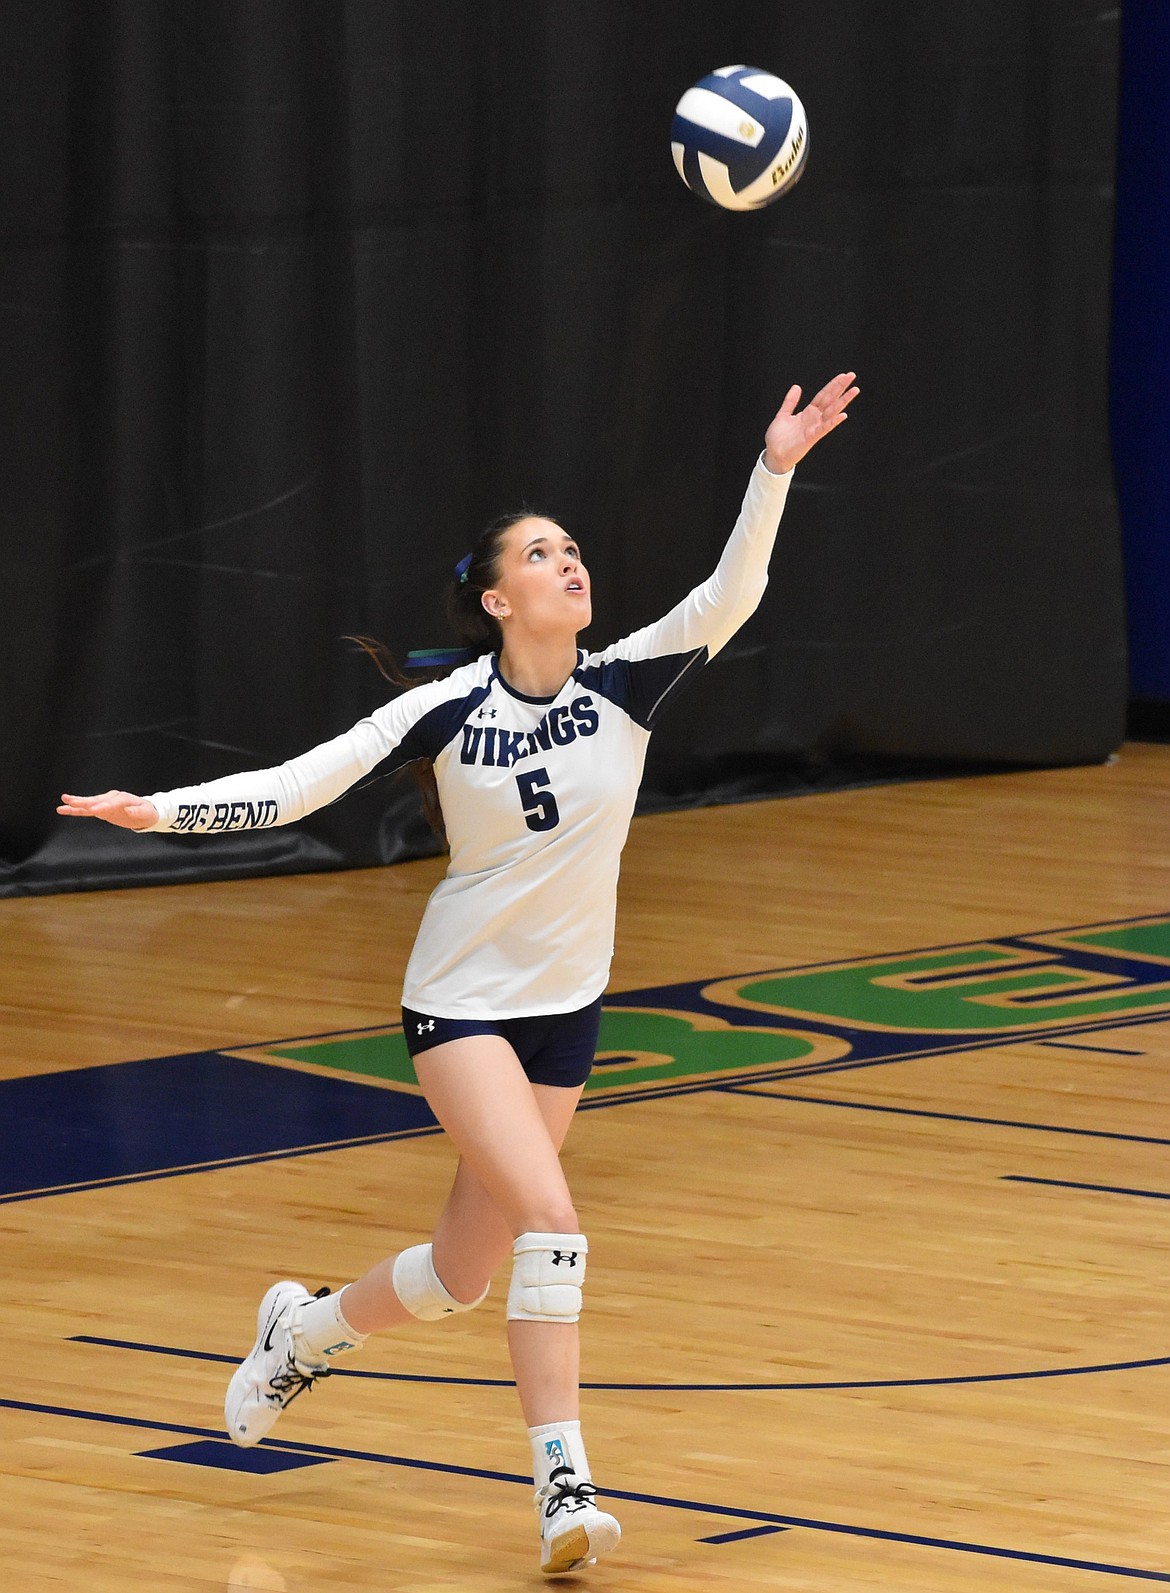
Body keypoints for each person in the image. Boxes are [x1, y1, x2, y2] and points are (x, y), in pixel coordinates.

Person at [58, 371, 859, 1575]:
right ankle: (563, 1490)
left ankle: (302, 1332)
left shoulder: (627, 682)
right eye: (541, 554)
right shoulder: (441, 711)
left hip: (565, 1016)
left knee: (458, 1276)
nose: (568, 563)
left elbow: (729, 593)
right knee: (554, 1225)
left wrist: (774, 468)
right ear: (497, 600)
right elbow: (297, 786)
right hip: (462, 1009)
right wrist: (155, 812)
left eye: (572, 549)